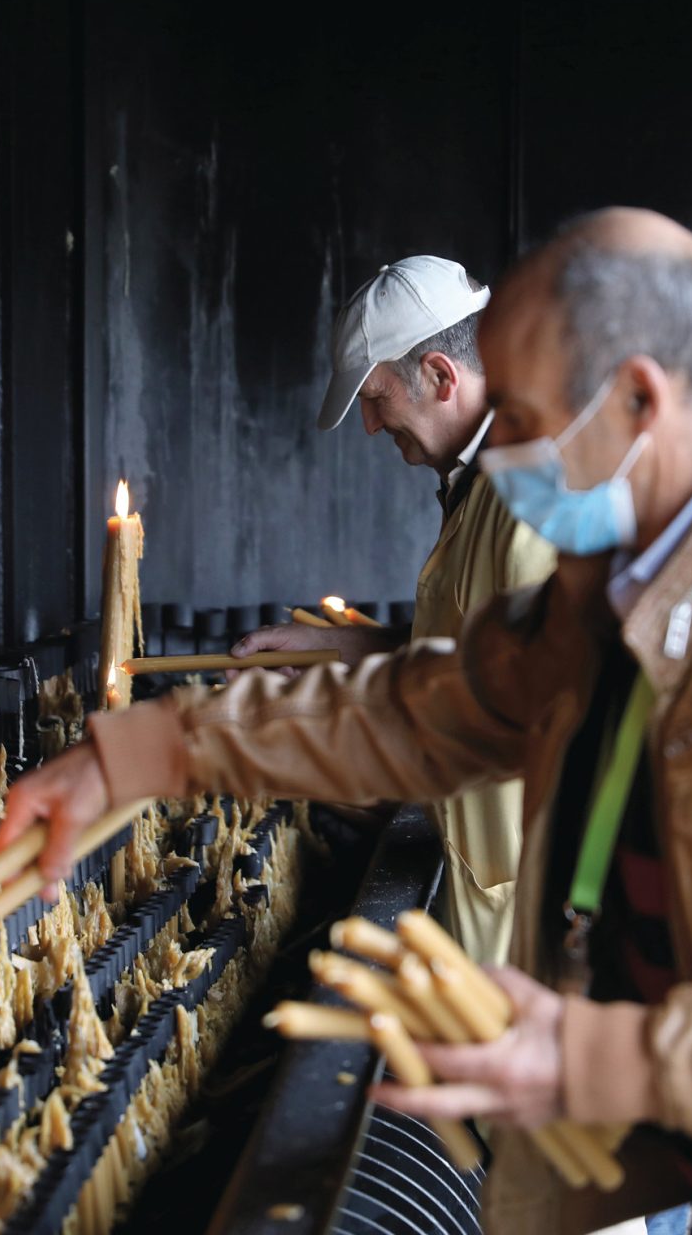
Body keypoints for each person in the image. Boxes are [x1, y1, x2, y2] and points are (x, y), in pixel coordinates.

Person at [0, 208, 692, 1235]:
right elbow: (432, 704)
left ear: (635, 399)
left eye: (521, 416)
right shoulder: (624, 579)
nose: (503, 454)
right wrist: (143, 752)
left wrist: (599, 1059)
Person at [229, 255, 556, 964]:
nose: (371, 428)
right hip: (490, 906)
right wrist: (343, 651)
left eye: (377, 399)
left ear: (442, 376)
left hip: (534, 931)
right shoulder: (481, 480)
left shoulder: (534, 496)